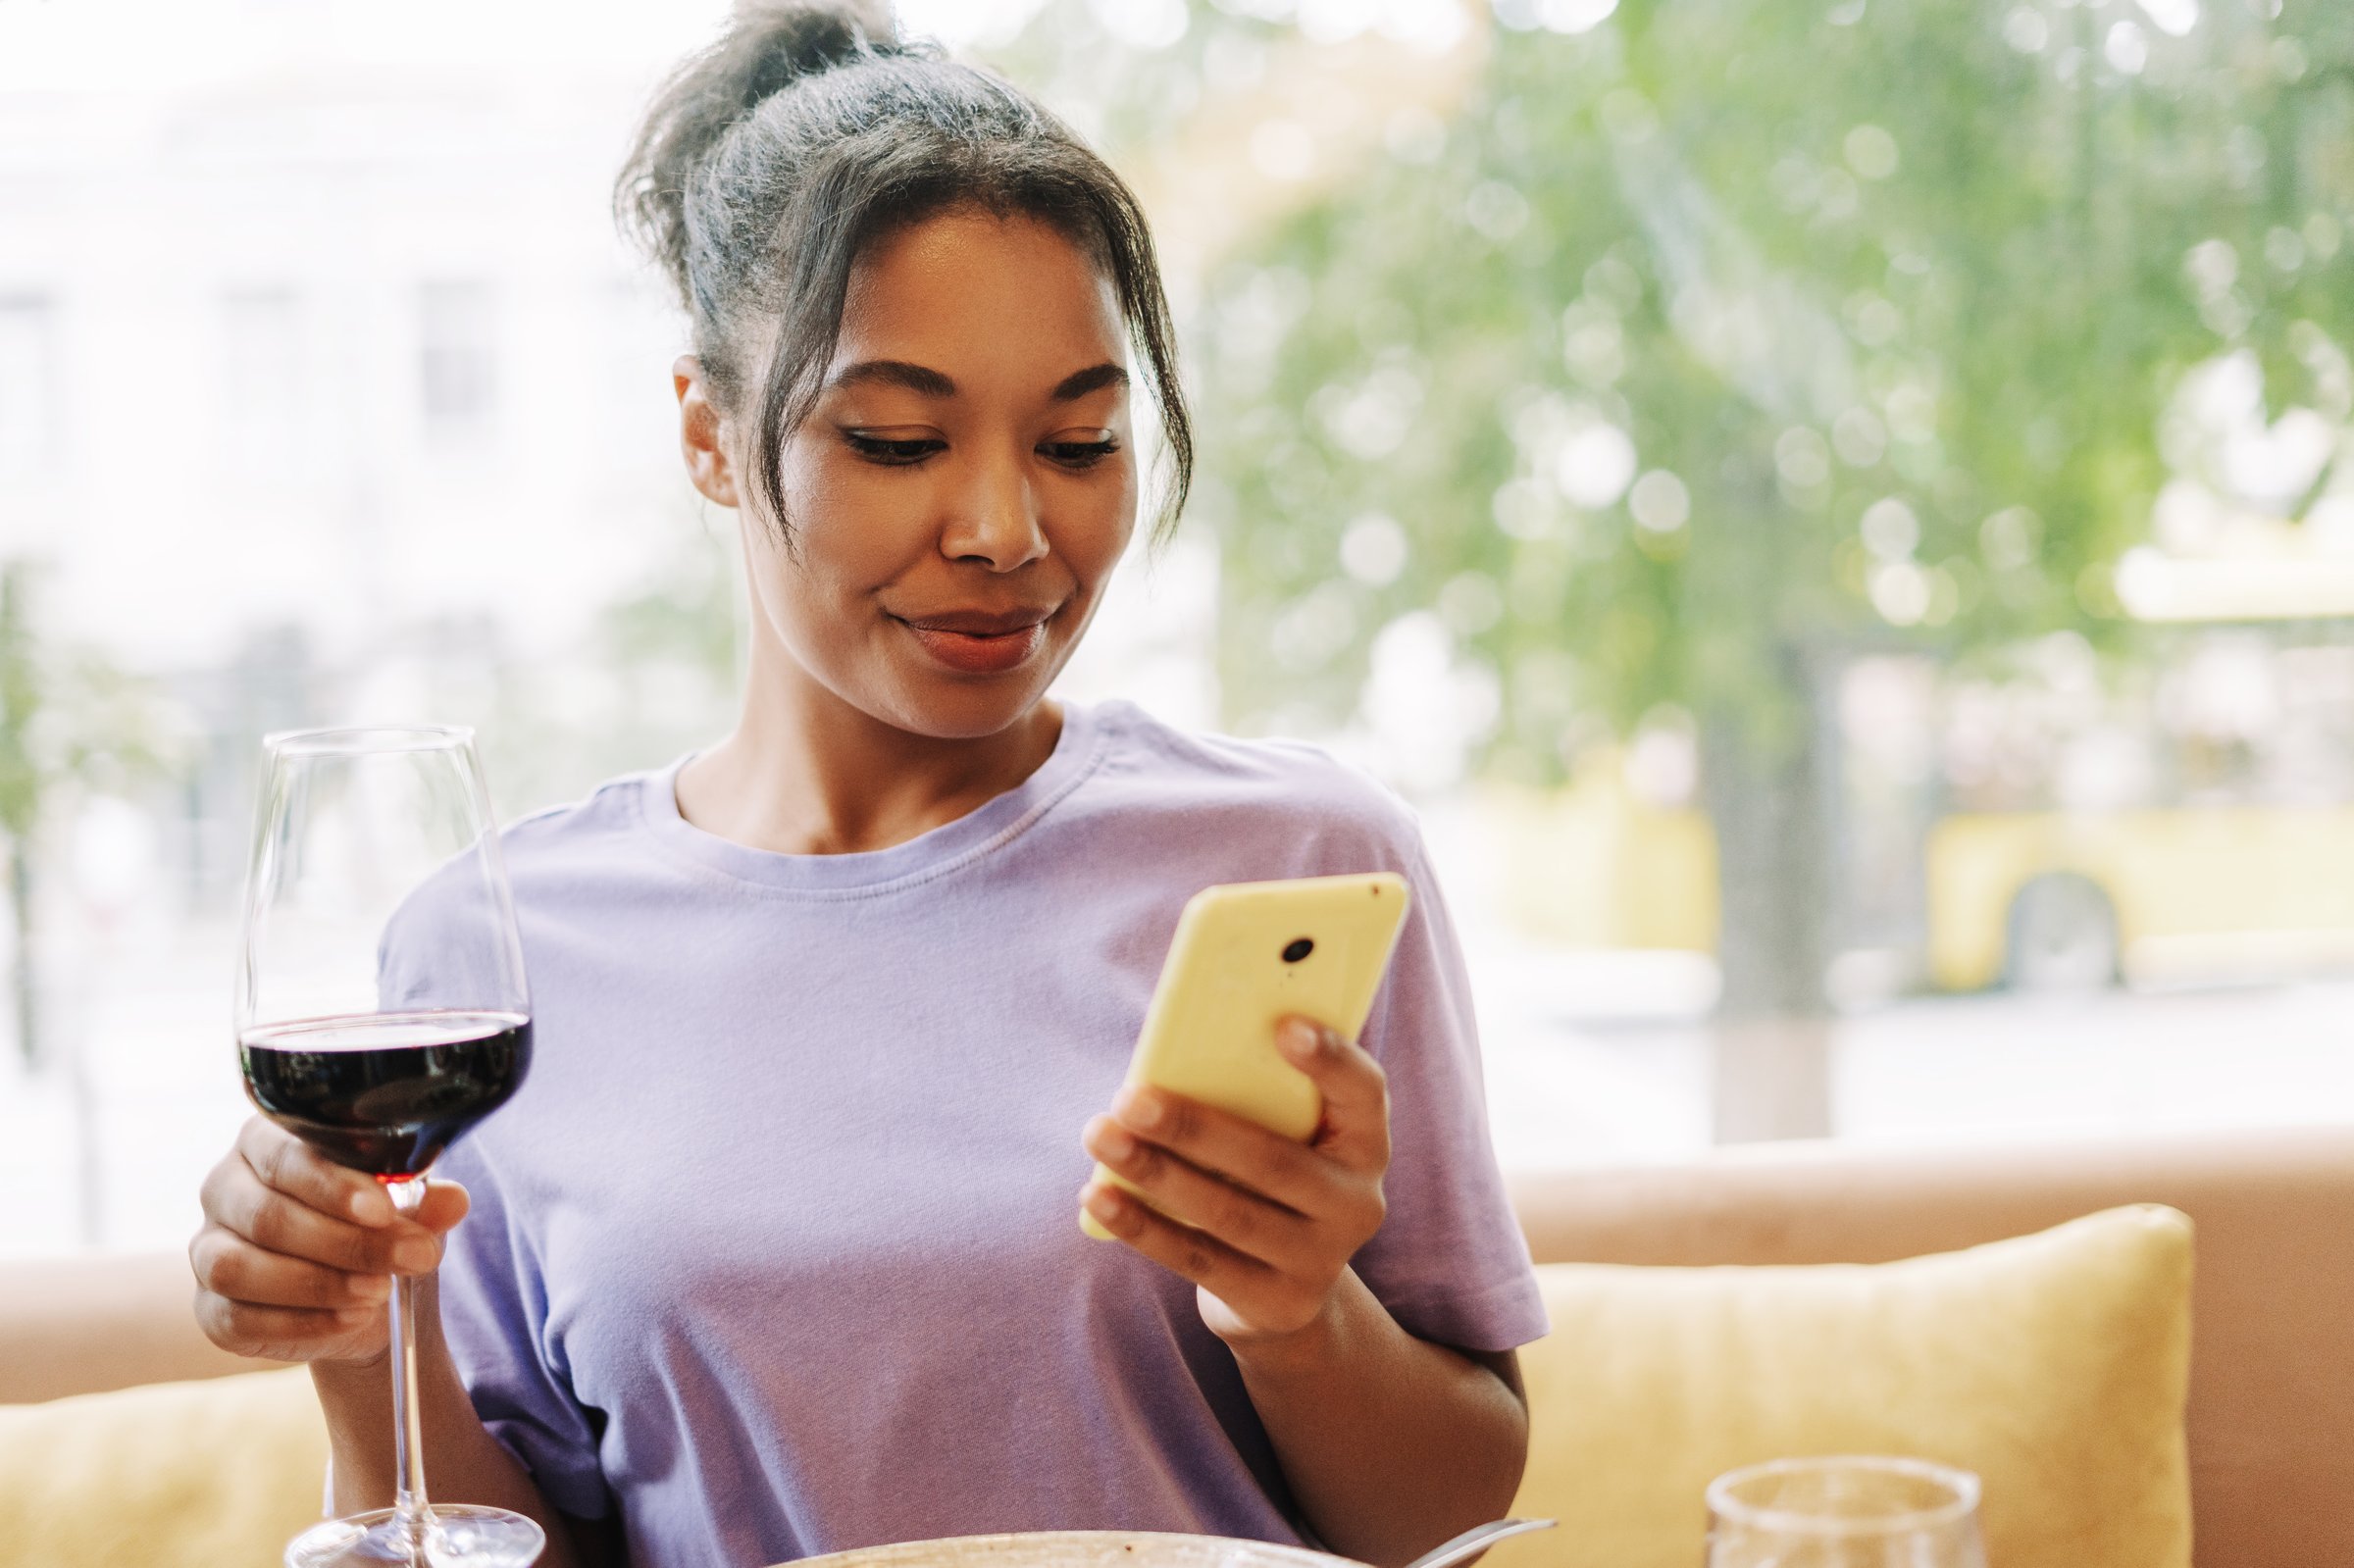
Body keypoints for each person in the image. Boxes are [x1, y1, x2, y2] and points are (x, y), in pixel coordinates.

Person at [189, 6, 1548, 1567]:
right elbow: (508, 1546)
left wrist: (1298, 1318)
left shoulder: (1297, 865)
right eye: (897, 438)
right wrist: (355, 1335)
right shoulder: (490, 957)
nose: (1005, 532)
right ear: (708, 433)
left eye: (1081, 439)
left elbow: (1458, 1514)